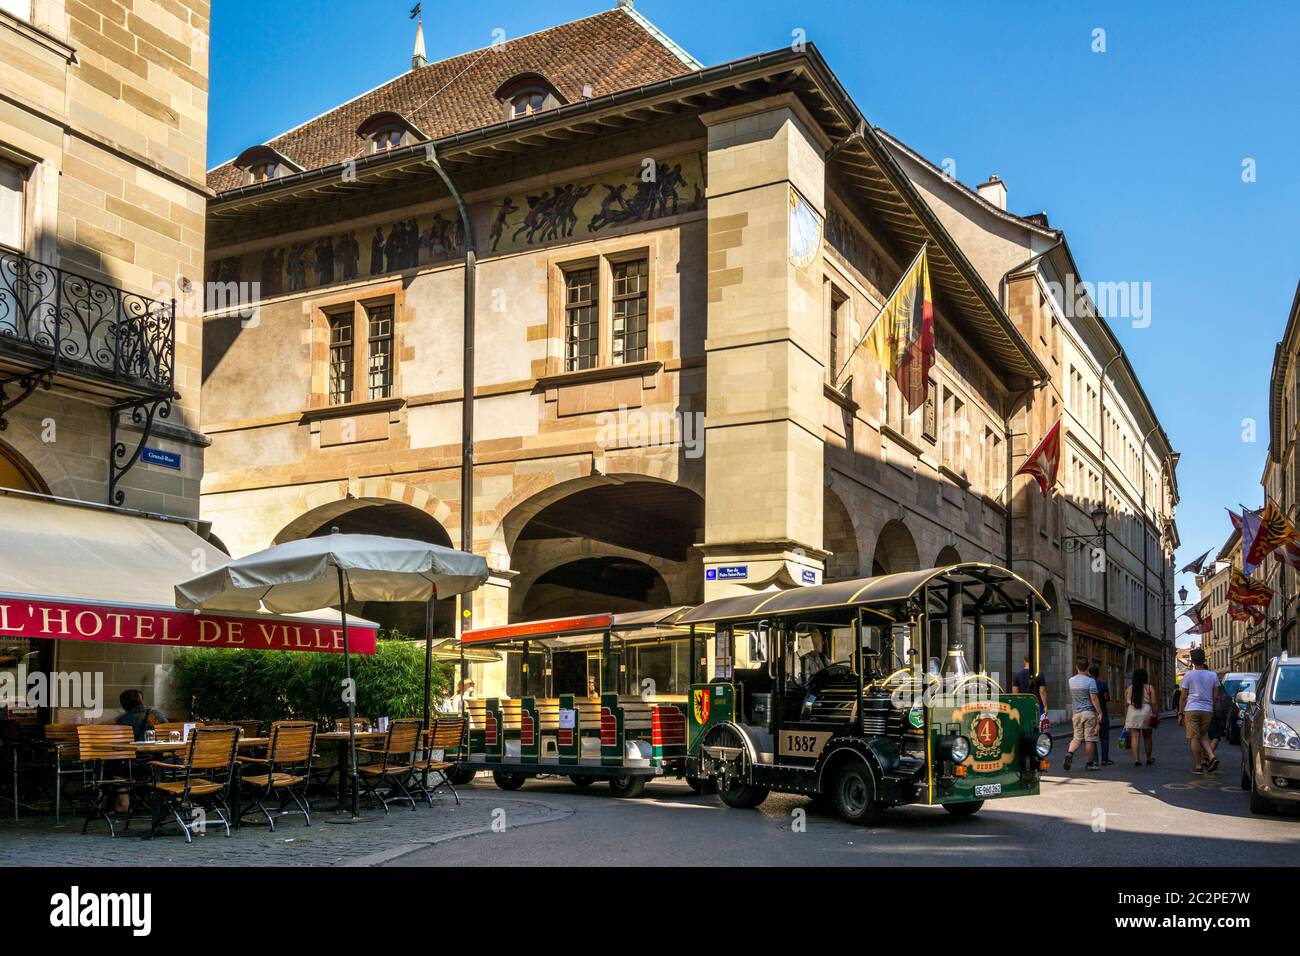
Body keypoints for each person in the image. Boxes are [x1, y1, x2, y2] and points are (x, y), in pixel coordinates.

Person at [1178, 647, 1221, 774]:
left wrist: (1180, 713)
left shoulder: (1188, 675)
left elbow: (1183, 696)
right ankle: (1211, 756)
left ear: (1192, 661)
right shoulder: (1213, 675)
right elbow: (1216, 695)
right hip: (1207, 709)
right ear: (1204, 659)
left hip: (1192, 709)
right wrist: (1211, 707)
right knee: (1202, 735)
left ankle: (1198, 765)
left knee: (1194, 738)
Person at [1062, 658, 1103, 772]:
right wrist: (1100, 712)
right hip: (1089, 713)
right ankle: (1089, 764)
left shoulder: (1071, 680)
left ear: (1076, 667)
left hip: (1076, 713)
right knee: (1089, 740)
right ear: (1088, 668)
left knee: (1077, 738)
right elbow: (1094, 698)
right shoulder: (1091, 681)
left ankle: (1069, 753)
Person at [1125, 667, 1158, 766]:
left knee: (1135, 737)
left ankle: (1136, 759)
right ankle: (1148, 758)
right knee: (1148, 737)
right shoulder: (1149, 688)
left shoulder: (1129, 688)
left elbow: (1126, 703)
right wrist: (1155, 713)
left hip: (1133, 712)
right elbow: (1154, 702)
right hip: (1146, 712)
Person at [1088, 664, 1114, 767]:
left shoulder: (1088, 684)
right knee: (1105, 737)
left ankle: (1095, 760)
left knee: (1093, 738)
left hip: (1091, 713)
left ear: (1089, 673)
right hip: (1102, 712)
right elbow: (1107, 697)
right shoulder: (1102, 683)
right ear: (1098, 673)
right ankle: (1105, 759)